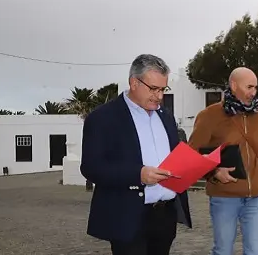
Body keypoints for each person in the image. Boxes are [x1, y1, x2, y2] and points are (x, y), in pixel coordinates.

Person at [80, 54, 192, 255]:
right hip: (127, 217)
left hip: (164, 216)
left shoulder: (165, 116)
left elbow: (175, 155)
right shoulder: (102, 118)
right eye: (153, 89)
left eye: (163, 90)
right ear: (134, 82)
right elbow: (91, 167)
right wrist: (138, 175)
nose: (159, 96)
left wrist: (208, 169)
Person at [188, 67, 258, 255]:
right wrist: (214, 172)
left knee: (255, 251)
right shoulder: (209, 116)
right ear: (233, 85)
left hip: (256, 198)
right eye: (249, 87)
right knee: (223, 250)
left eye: (255, 87)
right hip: (224, 197)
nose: (253, 92)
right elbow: (192, 155)